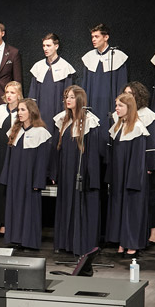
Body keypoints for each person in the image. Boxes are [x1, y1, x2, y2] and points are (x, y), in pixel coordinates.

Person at [53, 85, 102, 256]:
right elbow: (58, 150)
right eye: (67, 96)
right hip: (66, 171)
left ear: (80, 99)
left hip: (81, 171)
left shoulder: (89, 121)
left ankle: (80, 244)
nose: (68, 100)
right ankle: (66, 242)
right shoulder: (63, 120)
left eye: (72, 97)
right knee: (66, 203)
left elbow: (93, 152)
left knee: (80, 204)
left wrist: (91, 176)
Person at [0, 98, 52, 250]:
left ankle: (29, 241)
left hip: (30, 178)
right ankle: (15, 238)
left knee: (29, 209)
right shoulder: (15, 131)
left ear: (31, 111)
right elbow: (8, 158)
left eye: (23, 110)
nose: (19, 113)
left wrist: (38, 181)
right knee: (14, 207)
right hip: (15, 177)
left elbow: (42, 161)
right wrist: (6, 177)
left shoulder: (41, 133)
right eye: (18, 110)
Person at [105, 93, 151, 257]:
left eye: (120, 105)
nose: (116, 108)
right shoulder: (118, 127)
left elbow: (138, 158)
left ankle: (132, 243)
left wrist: (132, 179)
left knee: (131, 209)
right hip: (119, 175)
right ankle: (121, 242)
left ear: (129, 107)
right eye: (116, 105)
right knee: (119, 208)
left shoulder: (137, 128)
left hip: (131, 176)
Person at [28, 32, 76, 181]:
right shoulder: (38, 67)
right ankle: (39, 175)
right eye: (44, 45)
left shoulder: (65, 67)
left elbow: (68, 95)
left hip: (57, 112)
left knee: (55, 143)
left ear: (56, 46)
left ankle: (54, 175)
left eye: (48, 45)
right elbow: (32, 95)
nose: (45, 48)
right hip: (40, 113)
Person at [122, 82, 155, 246]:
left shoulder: (147, 115)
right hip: (127, 164)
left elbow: (152, 143)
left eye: (131, 93)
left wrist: (150, 165)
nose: (128, 96)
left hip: (143, 164)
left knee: (148, 198)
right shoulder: (123, 113)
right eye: (125, 93)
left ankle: (152, 231)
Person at [0, 81, 23, 236]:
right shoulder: (0, 111)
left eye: (12, 92)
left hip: (16, 155)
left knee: (13, 188)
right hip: (0, 154)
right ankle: (1, 221)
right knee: (0, 188)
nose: (9, 95)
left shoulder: (23, 111)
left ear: (19, 95)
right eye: (7, 92)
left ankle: (12, 223)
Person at [82, 24, 128, 117]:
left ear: (106, 37)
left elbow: (122, 84)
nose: (93, 39)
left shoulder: (117, 57)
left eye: (96, 36)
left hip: (111, 103)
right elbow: (85, 84)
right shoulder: (89, 57)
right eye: (92, 37)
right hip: (93, 102)